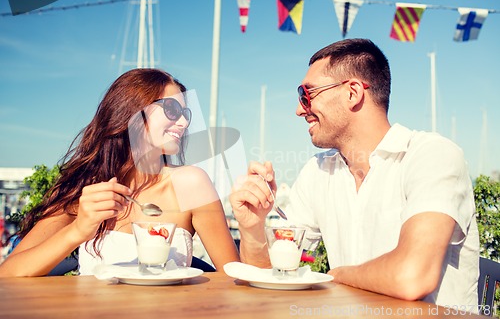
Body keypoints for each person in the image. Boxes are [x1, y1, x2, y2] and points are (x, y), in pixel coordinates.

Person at [230, 38, 479, 307]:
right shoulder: (318, 171)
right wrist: (252, 227)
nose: (299, 109)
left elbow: (412, 276)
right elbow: (274, 277)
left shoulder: (431, 155)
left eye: (307, 93)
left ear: (353, 93)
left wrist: (336, 275)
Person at [0, 68, 239, 277]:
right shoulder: (87, 188)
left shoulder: (191, 183)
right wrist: (78, 230)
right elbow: (10, 272)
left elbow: (233, 276)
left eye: (185, 114)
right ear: (133, 110)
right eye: (172, 109)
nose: (184, 123)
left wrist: (251, 228)